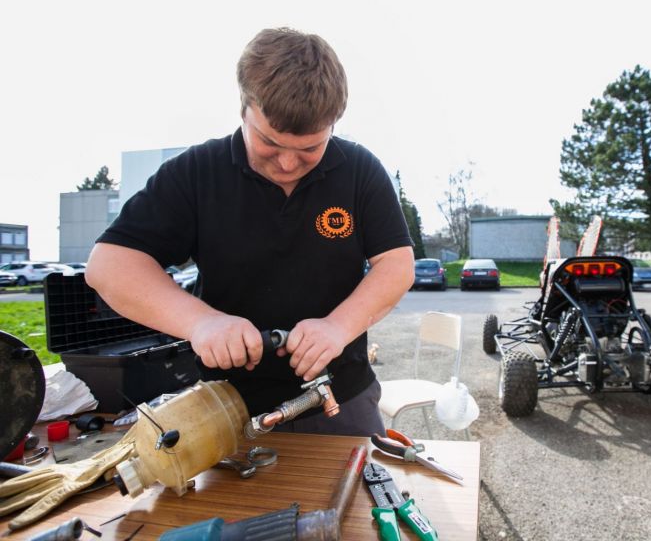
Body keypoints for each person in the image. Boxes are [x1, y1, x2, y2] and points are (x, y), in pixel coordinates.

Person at [85, 27, 415, 436]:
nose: (288, 164)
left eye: (310, 149)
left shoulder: (360, 171)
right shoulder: (196, 173)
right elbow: (109, 266)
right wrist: (201, 323)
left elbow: (396, 266)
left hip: (341, 397)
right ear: (244, 108)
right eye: (269, 143)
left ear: (334, 124)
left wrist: (338, 326)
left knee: (363, 497)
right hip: (224, 405)